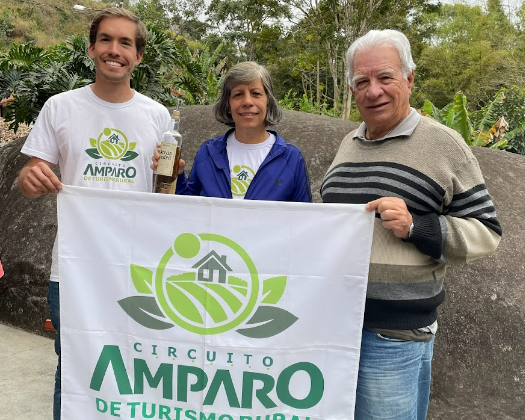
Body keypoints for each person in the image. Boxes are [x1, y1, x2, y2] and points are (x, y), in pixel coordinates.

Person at [321, 29, 502, 420]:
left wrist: (417, 227)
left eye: (385, 78)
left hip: (392, 335)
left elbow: (487, 232)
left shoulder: (444, 144)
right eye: (362, 82)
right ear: (352, 89)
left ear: (409, 79)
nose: (373, 91)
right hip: (335, 327)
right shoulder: (348, 144)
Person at [17, 8, 170, 420]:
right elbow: (32, 172)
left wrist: (174, 173)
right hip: (73, 269)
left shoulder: (157, 116)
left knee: (137, 370)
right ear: (91, 48)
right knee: (76, 371)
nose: (114, 50)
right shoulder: (60, 107)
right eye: (106, 40)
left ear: (138, 56)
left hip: (136, 269)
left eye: (125, 43)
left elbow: (163, 192)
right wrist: (29, 179)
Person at [153, 61, 311, 202]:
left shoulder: (290, 158)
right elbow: (189, 211)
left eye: (256, 94)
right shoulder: (209, 152)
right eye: (238, 94)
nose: (248, 102)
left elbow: (304, 220)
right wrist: (177, 174)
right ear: (227, 104)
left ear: (268, 101)